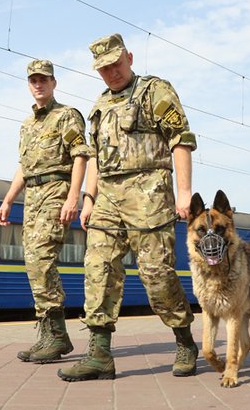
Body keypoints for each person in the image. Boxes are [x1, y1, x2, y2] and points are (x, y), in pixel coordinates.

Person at [57, 33, 199, 382]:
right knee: (98, 268)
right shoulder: (100, 105)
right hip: (107, 196)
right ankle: (100, 354)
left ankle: (184, 341)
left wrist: (184, 193)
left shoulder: (155, 91)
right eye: (103, 69)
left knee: (156, 274)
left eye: (115, 65)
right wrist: (88, 198)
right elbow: (95, 158)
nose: (111, 73)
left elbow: (180, 139)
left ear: (130, 58)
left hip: (149, 192)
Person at [0, 59, 90, 363]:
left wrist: (73, 196)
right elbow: (23, 166)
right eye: (33, 80)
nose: (38, 84)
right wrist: (9, 199)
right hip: (33, 196)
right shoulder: (27, 124)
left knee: (41, 258)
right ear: (29, 84)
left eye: (44, 80)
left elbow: (80, 156)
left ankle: (57, 336)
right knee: (33, 261)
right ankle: (49, 332)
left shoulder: (67, 116)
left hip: (55, 192)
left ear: (54, 83)